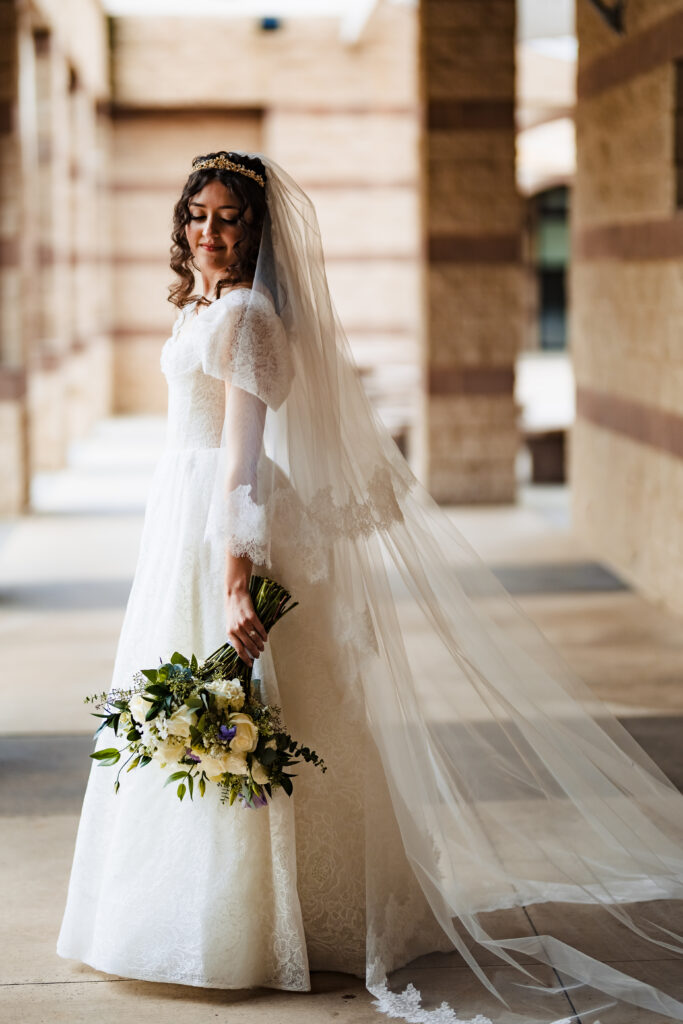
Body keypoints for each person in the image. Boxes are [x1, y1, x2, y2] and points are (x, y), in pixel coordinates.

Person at [57, 151, 683, 1024]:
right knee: (205, 708)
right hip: (181, 515)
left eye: (228, 218)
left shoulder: (245, 316)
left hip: (221, 520)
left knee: (252, 706)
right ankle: (195, 908)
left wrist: (234, 576)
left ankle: (276, 920)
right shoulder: (206, 304)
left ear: (257, 230)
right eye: (197, 214)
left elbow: (239, 457)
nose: (208, 231)